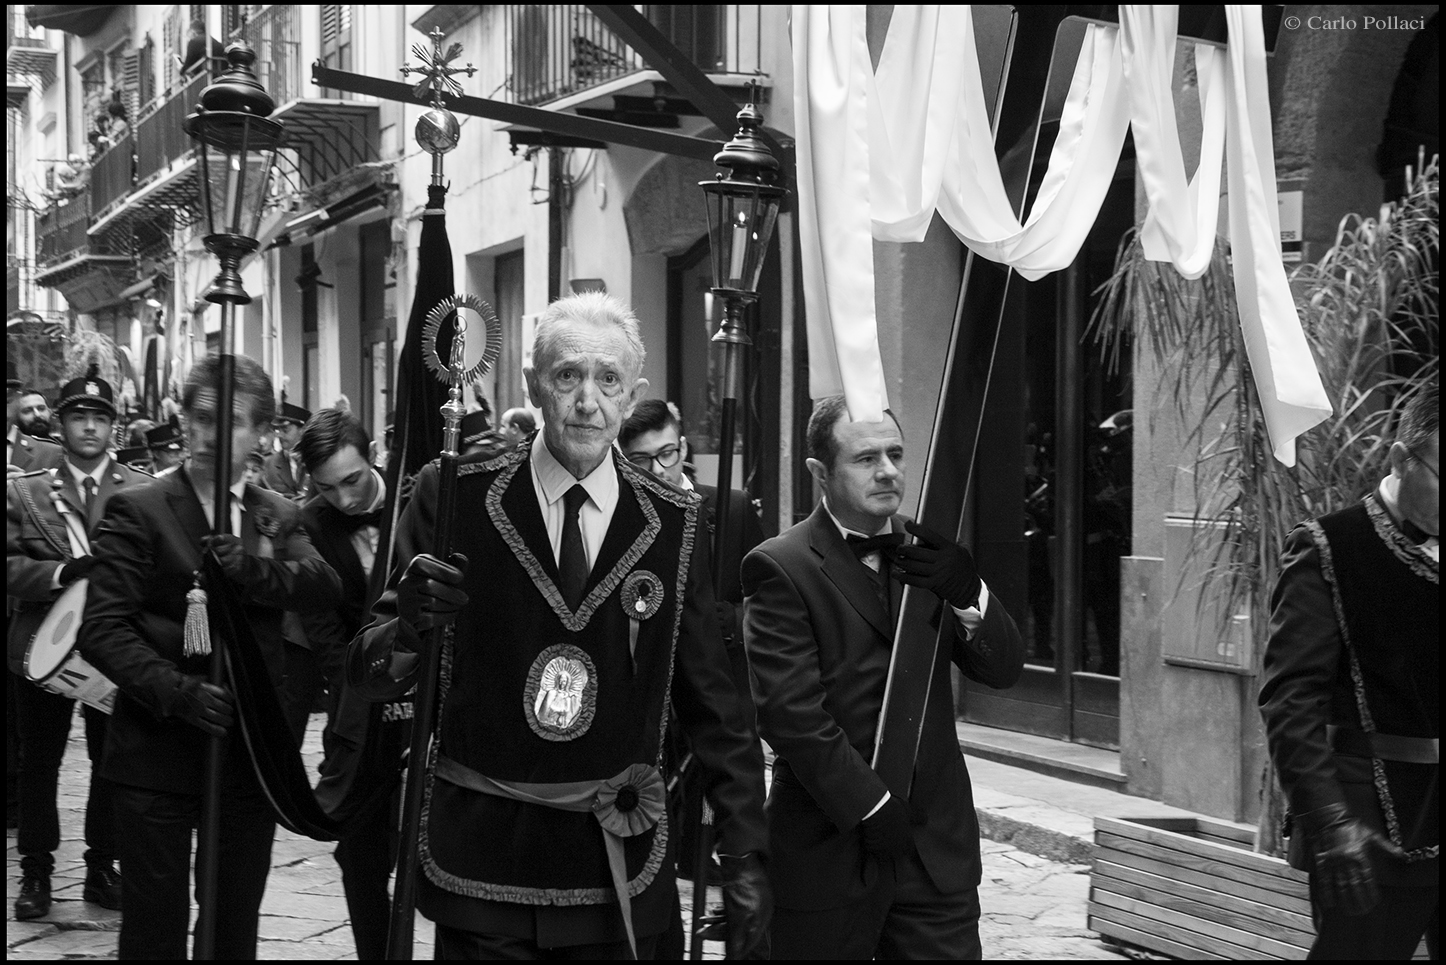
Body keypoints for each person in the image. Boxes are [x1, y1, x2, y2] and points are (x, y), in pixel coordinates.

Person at [348, 291, 771, 959]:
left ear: (632, 395)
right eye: (568, 375)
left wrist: (745, 850)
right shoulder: (454, 493)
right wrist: (407, 625)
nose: (587, 401)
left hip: (618, 867)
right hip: (486, 868)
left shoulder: (673, 523)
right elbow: (368, 668)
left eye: (608, 380)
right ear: (532, 384)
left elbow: (715, 704)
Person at [76, 354, 341, 959]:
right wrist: (178, 692)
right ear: (182, 418)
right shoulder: (139, 508)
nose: (213, 435)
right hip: (156, 754)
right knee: (153, 930)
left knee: (231, 925)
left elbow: (323, 583)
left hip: (246, 759)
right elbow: (102, 629)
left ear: (262, 434)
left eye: (235, 423)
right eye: (200, 417)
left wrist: (253, 572)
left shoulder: (271, 513)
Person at [743, 395, 1025, 960]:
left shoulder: (930, 556)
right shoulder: (781, 565)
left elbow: (1004, 670)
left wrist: (970, 594)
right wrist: (870, 805)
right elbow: (793, 716)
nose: (888, 470)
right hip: (828, 852)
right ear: (820, 473)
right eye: (866, 457)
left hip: (935, 859)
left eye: (895, 453)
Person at [1259, 378, 1438, 960]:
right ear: (1400, 459)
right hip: (1370, 827)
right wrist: (1328, 822)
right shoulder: (1329, 548)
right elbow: (1291, 701)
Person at [619, 398, 767, 939]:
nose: (659, 470)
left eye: (668, 454)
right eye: (641, 461)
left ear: (682, 447)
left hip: (724, 680)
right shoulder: (625, 521)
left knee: (728, 796)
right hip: (658, 701)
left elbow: (760, 599)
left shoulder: (726, 508)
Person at [7, 370, 137, 920]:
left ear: (114, 428)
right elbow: (10, 566)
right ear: (59, 424)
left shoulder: (143, 489)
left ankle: (101, 866)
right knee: (40, 760)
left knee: (112, 759)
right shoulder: (27, 489)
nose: (89, 426)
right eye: (79, 416)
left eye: (100, 417)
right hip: (45, 645)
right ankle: (36, 870)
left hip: (113, 646)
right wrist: (62, 573)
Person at [291, 407, 403, 959]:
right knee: (360, 855)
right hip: (358, 706)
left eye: (353, 480)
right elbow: (326, 637)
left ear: (374, 457)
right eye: (327, 488)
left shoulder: (420, 498)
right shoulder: (308, 526)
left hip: (432, 698)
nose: (344, 499)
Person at [264, 400, 313, 502]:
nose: (279, 435)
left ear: (303, 429)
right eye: (278, 430)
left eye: (285, 429)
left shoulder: (316, 461)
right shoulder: (268, 464)